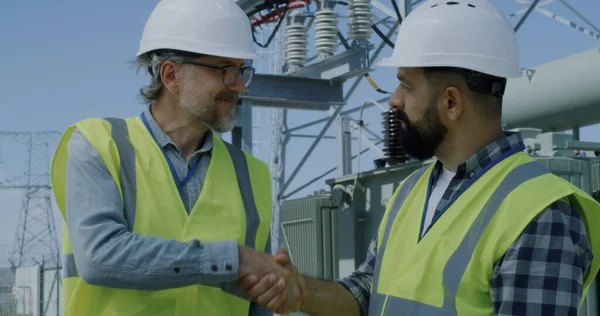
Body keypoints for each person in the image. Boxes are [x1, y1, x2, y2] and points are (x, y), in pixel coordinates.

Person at [240, 0, 600, 315]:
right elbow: (368, 292)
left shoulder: (539, 213)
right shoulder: (412, 190)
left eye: (406, 85)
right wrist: (302, 293)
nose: (394, 99)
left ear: (451, 103)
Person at [49, 0, 300, 315]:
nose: (238, 86)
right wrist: (233, 259)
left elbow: (256, 300)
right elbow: (100, 256)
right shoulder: (99, 145)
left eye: (241, 70)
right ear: (171, 75)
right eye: (225, 69)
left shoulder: (251, 174)